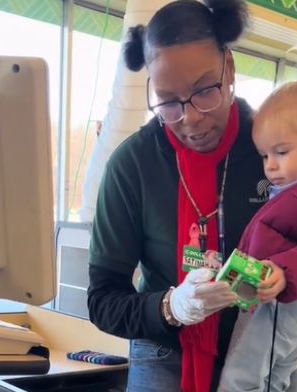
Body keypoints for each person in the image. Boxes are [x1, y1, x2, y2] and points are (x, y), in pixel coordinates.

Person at [86, 1, 271, 391]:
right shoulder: (132, 165)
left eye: (205, 90)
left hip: (260, 346)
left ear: (230, 68)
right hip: (164, 347)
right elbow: (103, 301)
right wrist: (171, 307)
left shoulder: (272, 147)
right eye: (168, 101)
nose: (191, 117)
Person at [216, 52, 297, 391]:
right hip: (278, 303)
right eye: (265, 155)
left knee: (242, 378)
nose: (270, 166)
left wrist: (283, 272)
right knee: (277, 377)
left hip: (279, 305)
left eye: (281, 152)